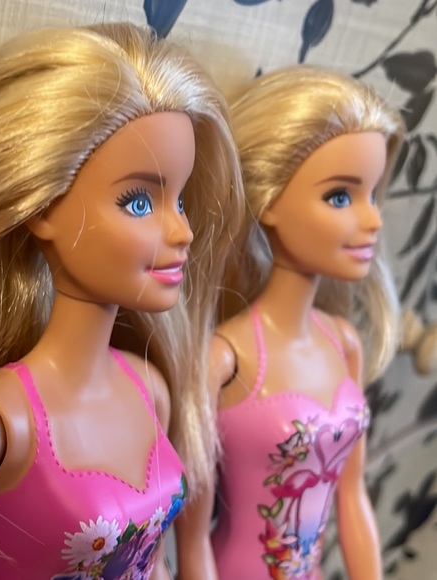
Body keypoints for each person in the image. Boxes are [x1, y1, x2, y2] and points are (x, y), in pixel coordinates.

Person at [0, 23, 244, 580]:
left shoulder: (150, 387)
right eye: (139, 202)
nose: (182, 231)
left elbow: (153, 561)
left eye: (179, 200)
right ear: (42, 205)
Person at [175, 65, 404, 580]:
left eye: (372, 195)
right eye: (340, 196)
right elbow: (192, 543)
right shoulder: (226, 359)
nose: (373, 220)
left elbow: (352, 497)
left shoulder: (343, 341)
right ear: (270, 199)